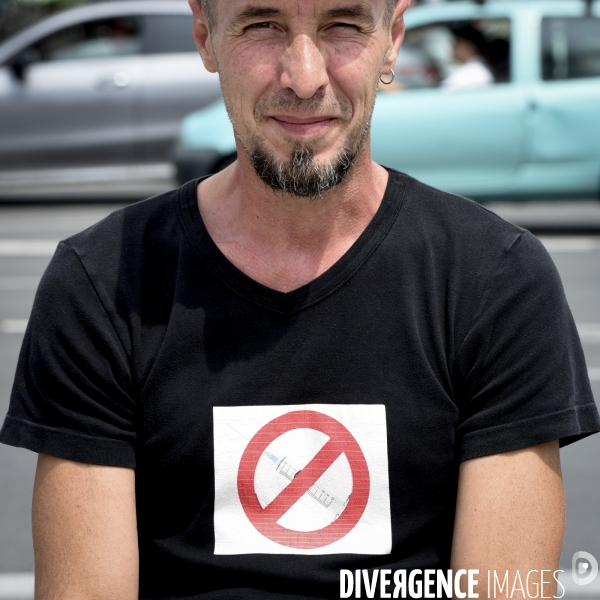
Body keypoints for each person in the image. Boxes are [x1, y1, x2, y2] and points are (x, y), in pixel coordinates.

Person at [1, 1, 599, 599]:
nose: (305, 76)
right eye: (263, 26)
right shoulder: (103, 282)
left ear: (392, 40)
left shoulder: (495, 280)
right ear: (205, 37)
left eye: (343, 26)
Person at [442, 25, 495, 90]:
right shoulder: (476, 66)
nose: (452, 46)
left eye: (457, 42)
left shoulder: (474, 71)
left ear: (469, 46)